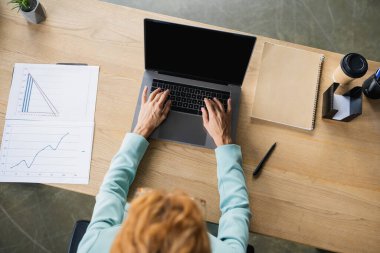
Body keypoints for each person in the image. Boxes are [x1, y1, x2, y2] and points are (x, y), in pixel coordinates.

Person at [78, 87, 251, 253]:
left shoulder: (94, 247)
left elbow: (111, 192)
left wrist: (141, 130)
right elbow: (236, 208)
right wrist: (225, 141)